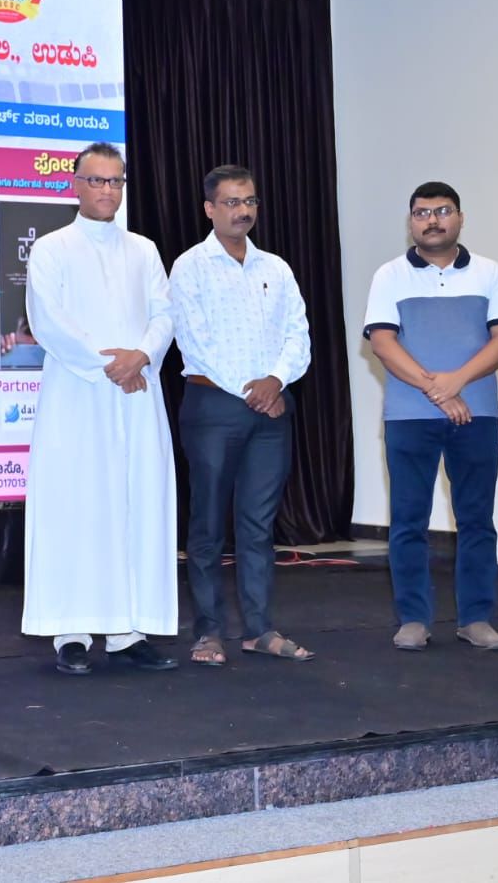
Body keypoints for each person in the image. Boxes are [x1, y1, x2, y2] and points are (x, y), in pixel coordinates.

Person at [21, 143, 178, 676]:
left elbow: (164, 314)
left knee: (136, 503)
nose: (107, 190)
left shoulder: (144, 250)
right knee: (77, 505)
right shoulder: (52, 249)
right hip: (77, 394)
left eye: (115, 181)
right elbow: (48, 319)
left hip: (138, 394)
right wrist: (108, 365)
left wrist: (142, 356)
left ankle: (128, 631)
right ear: (76, 184)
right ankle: (72, 631)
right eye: (96, 180)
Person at [363, 182, 498, 651]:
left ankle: (477, 619)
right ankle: (413, 619)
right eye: (421, 213)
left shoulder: (490, 273)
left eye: (442, 211)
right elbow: (383, 343)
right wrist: (439, 389)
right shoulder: (390, 275)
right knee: (408, 520)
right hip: (408, 417)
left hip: (477, 414)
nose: (432, 220)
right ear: (411, 221)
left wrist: (457, 381)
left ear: (460, 218)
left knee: (477, 519)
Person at [169, 165, 312, 667]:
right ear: (209, 209)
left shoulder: (277, 267)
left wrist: (276, 380)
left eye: (249, 201)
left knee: (258, 525)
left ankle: (259, 629)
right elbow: (195, 340)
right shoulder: (190, 266)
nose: (243, 210)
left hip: (271, 409)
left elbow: (298, 333)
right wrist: (256, 390)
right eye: (231, 202)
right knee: (208, 525)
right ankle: (209, 632)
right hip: (214, 406)